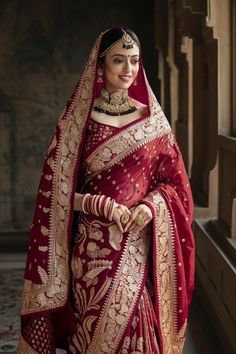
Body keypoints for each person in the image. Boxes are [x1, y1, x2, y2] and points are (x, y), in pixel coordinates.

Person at [17, 27, 195, 354]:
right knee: (90, 331)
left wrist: (150, 206)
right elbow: (54, 192)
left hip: (138, 243)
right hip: (93, 250)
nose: (128, 69)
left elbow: (175, 185)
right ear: (99, 66)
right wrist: (99, 205)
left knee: (139, 330)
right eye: (118, 60)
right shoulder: (78, 122)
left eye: (134, 61)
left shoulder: (153, 123)